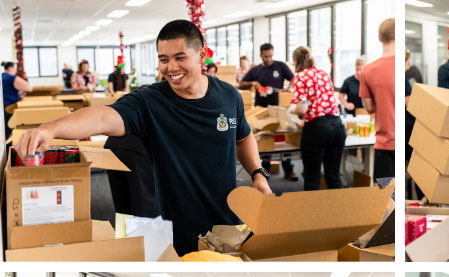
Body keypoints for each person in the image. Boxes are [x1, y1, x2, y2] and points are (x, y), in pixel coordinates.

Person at [16, 20, 272, 256]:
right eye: (163, 59)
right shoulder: (149, 101)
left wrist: (258, 173)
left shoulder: (229, 96)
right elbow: (101, 117)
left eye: (180, 57)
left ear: (201, 55)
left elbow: (243, 137)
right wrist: (51, 129)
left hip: (225, 227)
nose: (171, 68)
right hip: (175, 232)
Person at [289, 46, 346, 190]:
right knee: (333, 175)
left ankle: (313, 212)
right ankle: (337, 212)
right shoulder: (324, 74)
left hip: (317, 129)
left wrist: (291, 109)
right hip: (337, 126)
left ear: (295, 61)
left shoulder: (300, 77)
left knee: (312, 177)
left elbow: (302, 108)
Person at [240, 43, 297, 181]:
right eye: (266, 56)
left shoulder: (280, 66)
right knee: (265, 140)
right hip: (262, 111)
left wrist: (288, 88)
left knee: (282, 140)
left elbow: (294, 79)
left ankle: (288, 170)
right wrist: (253, 83)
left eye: (270, 56)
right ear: (261, 56)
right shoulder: (256, 71)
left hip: (279, 110)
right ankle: (265, 171)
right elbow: (241, 83)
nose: (269, 59)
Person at [360, 18, 395, 181]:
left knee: (388, 196)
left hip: (385, 143)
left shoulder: (367, 71)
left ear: (380, 38)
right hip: (409, 142)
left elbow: (369, 107)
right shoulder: (404, 67)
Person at [2, 61, 32, 138]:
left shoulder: (1, 76)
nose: (16, 70)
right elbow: (29, 88)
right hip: (9, 107)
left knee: (4, 129)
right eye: (15, 68)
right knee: (8, 130)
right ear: (10, 68)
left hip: (2, 107)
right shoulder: (11, 78)